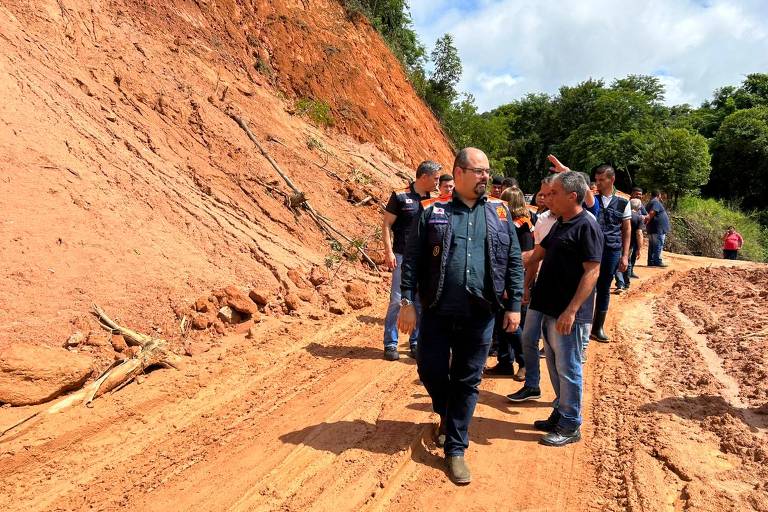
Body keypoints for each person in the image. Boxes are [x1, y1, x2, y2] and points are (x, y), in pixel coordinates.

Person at [398, 147, 523, 485]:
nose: (486, 177)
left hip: (480, 314)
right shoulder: (433, 210)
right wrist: (406, 300)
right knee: (429, 368)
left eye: (487, 171)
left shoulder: (499, 212)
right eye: (479, 171)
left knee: (468, 380)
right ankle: (446, 411)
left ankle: (455, 448)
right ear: (460, 172)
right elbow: (412, 259)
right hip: (438, 310)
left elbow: (513, 259)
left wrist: (514, 306)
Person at [519, 171, 602, 446]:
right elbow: (537, 254)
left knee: (569, 368)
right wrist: (502, 258)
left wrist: (572, 310)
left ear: (572, 196)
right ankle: (561, 410)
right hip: (548, 308)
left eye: (554, 193)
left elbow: (592, 272)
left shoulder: (586, 225)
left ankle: (570, 424)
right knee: (555, 365)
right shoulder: (561, 223)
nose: (547, 198)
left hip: (568, 315)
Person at [381, 161, 441, 361]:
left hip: (425, 260)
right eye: (436, 178)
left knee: (420, 301)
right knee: (398, 301)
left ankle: (416, 342)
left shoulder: (434, 201)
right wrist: (388, 252)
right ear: (424, 177)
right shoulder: (400, 195)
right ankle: (390, 343)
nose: (437, 182)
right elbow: (387, 225)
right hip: (401, 256)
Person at [507, 175, 557, 402]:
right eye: (543, 194)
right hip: (535, 286)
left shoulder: (580, 220)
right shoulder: (543, 220)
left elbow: (531, 257)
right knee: (527, 336)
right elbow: (535, 257)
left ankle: (564, 406)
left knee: (556, 350)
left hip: (559, 293)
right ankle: (532, 384)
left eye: (549, 194)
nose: (544, 198)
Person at [485, 186, 534, 380]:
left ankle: (525, 363)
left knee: (512, 326)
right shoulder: (507, 223)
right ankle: (505, 362)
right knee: (500, 324)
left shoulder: (522, 225)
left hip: (510, 281)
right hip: (499, 279)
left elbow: (524, 258)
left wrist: (515, 285)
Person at [586, 165, 630, 343]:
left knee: (604, 288)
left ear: (611, 180)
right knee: (587, 286)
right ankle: (582, 327)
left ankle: (598, 328)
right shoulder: (591, 200)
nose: (597, 183)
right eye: (596, 180)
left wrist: (625, 255)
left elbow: (626, 229)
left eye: (601, 180)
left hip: (612, 249)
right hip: (592, 249)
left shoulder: (623, 202)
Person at [614, 198, 644, 291]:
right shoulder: (639, 218)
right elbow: (639, 233)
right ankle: (626, 283)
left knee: (618, 261)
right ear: (639, 207)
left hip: (617, 241)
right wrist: (639, 248)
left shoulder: (621, 214)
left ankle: (620, 283)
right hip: (630, 244)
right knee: (628, 261)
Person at [645, 190, 670, 267]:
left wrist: (646, 223)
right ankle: (657, 261)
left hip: (652, 228)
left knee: (652, 245)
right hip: (658, 228)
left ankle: (651, 261)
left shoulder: (649, 203)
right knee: (658, 244)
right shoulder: (655, 202)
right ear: (659, 195)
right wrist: (646, 221)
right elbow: (652, 212)